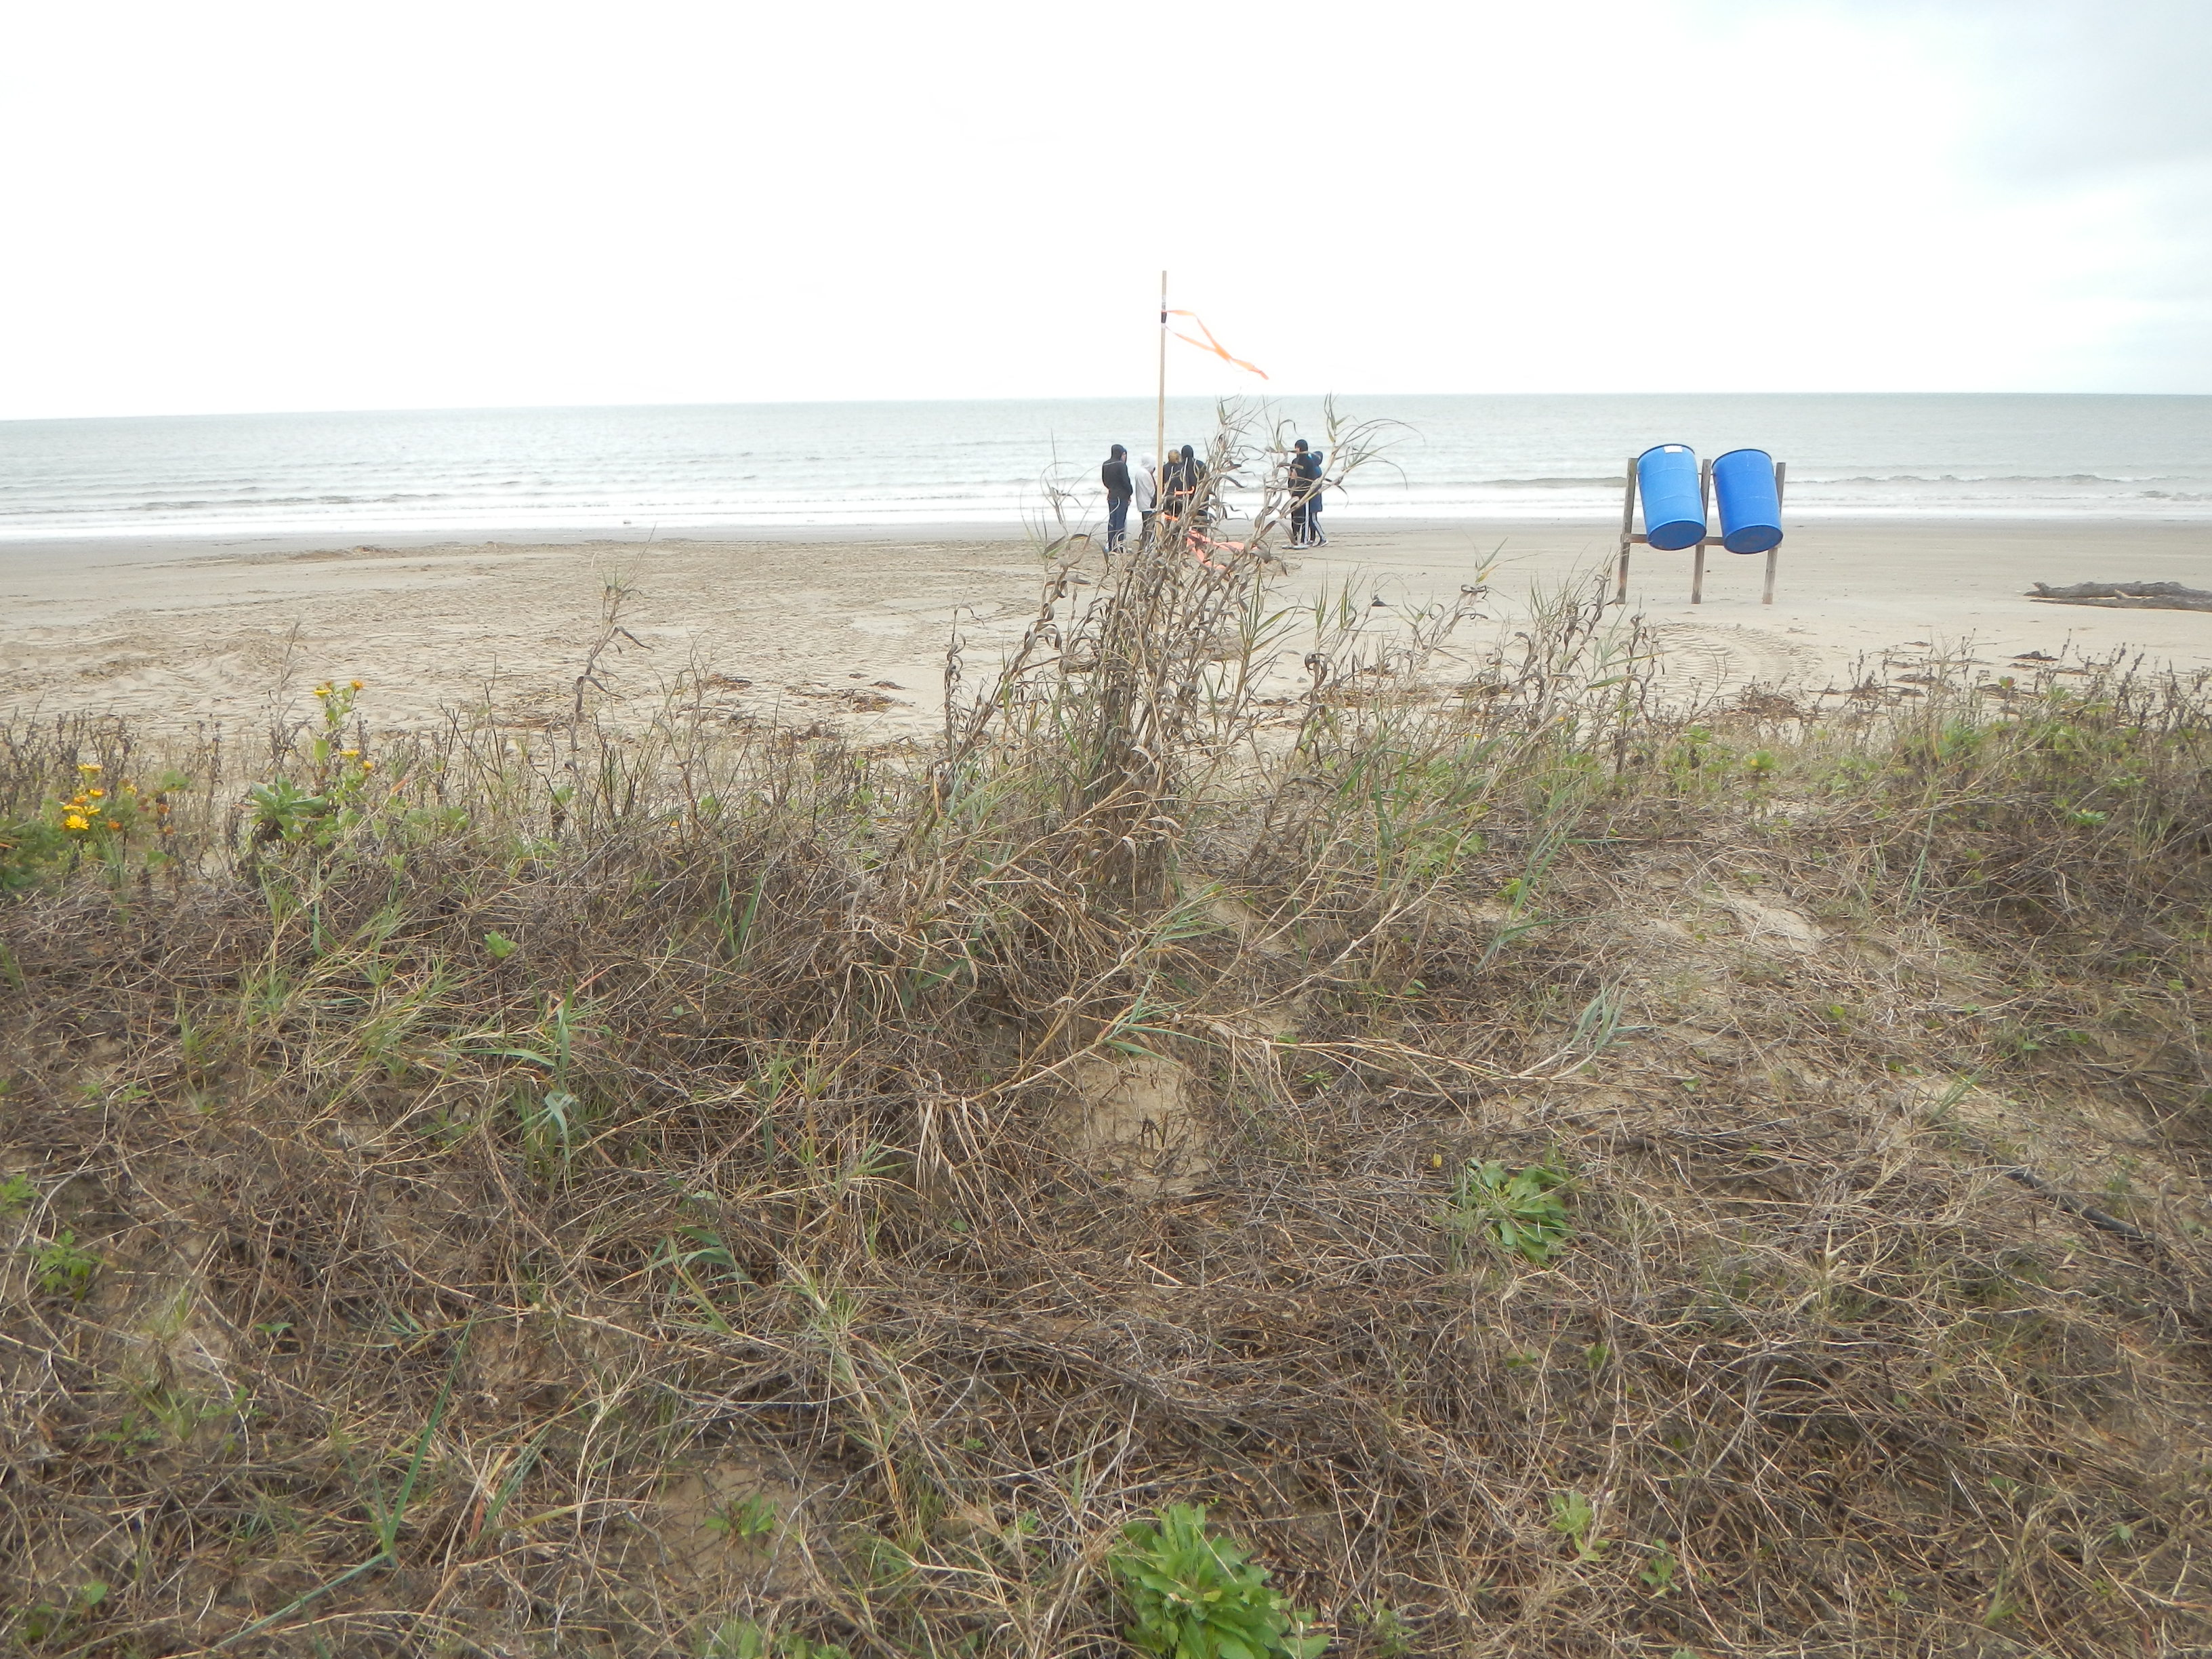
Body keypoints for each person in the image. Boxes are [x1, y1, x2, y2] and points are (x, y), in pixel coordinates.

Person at [1101, 444, 1133, 552]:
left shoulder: (1106, 464)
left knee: (1112, 521)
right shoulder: (1121, 465)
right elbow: (1126, 481)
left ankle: (1111, 545)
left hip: (1111, 495)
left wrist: (1111, 488)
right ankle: (1119, 546)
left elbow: (1104, 481)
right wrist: (1130, 492)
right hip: (1122, 496)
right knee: (1120, 522)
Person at [1288, 438, 1319, 547]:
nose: (1296, 449)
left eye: (1298, 447)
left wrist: (1307, 492)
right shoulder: (1294, 462)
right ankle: (1295, 539)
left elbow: (1312, 479)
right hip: (1294, 494)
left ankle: (1304, 540)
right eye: (1295, 447)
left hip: (1304, 495)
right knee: (1294, 517)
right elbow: (1290, 477)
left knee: (1304, 517)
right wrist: (1290, 489)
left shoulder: (1309, 462)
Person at [1132, 451, 1159, 548]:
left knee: (1146, 526)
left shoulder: (1140, 472)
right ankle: (1148, 545)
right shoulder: (1145, 474)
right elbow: (1151, 491)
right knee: (1150, 527)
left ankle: (1144, 545)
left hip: (1143, 503)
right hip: (1148, 504)